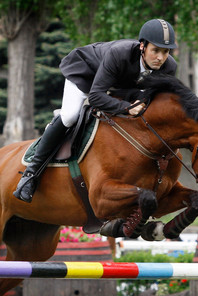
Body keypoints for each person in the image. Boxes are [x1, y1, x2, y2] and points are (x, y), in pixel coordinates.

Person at [14, 19, 178, 203]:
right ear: (142, 46)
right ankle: (30, 174)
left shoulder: (169, 67)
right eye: (155, 50)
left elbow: (149, 97)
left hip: (117, 84)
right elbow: (95, 97)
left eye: (165, 52)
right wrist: (126, 107)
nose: (160, 57)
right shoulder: (120, 54)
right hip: (86, 75)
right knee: (70, 116)